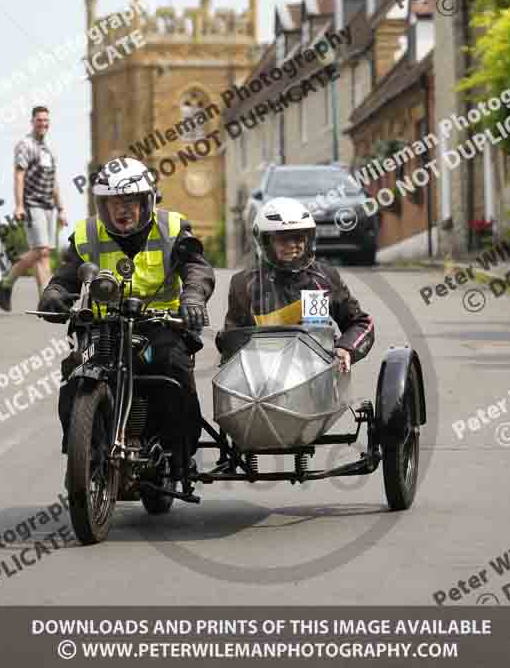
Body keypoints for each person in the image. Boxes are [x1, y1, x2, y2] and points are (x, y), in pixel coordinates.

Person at [37, 156, 215, 482]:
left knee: (172, 369)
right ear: (102, 205)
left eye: (131, 201)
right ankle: (85, 457)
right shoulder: (87, 233)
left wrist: (191, 297)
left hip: (160, 325)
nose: (123, 210)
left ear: (147, 202)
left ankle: (180, 452)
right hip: (103, 328)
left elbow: (197, 268)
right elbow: (64, 277)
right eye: (113, 203)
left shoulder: (172, 228)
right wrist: (54, 295)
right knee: (75, 376)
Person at [217, 197, 374, 371]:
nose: (293, 245)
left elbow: (361, 323)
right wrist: (225, 341)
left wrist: (346, 348)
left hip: (317, 375)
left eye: (299, 238)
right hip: (262, 378)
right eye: (283, 239)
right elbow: (232, 341)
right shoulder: (244, 283)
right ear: (265, 241)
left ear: (308, 239)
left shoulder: (323, 278)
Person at [0, 106, 67, 311]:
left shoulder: (49, 149)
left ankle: (44, 300)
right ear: (32, 122)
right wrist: (19, 205)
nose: (43, 124)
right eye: (39, 120)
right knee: (40, 250)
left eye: (46, 120)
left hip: (49, 207)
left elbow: (54, 182)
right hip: (32, 204)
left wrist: (61, 208)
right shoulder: (25, 145)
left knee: (44, 254)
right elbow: (19, 175)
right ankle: (6, 282)